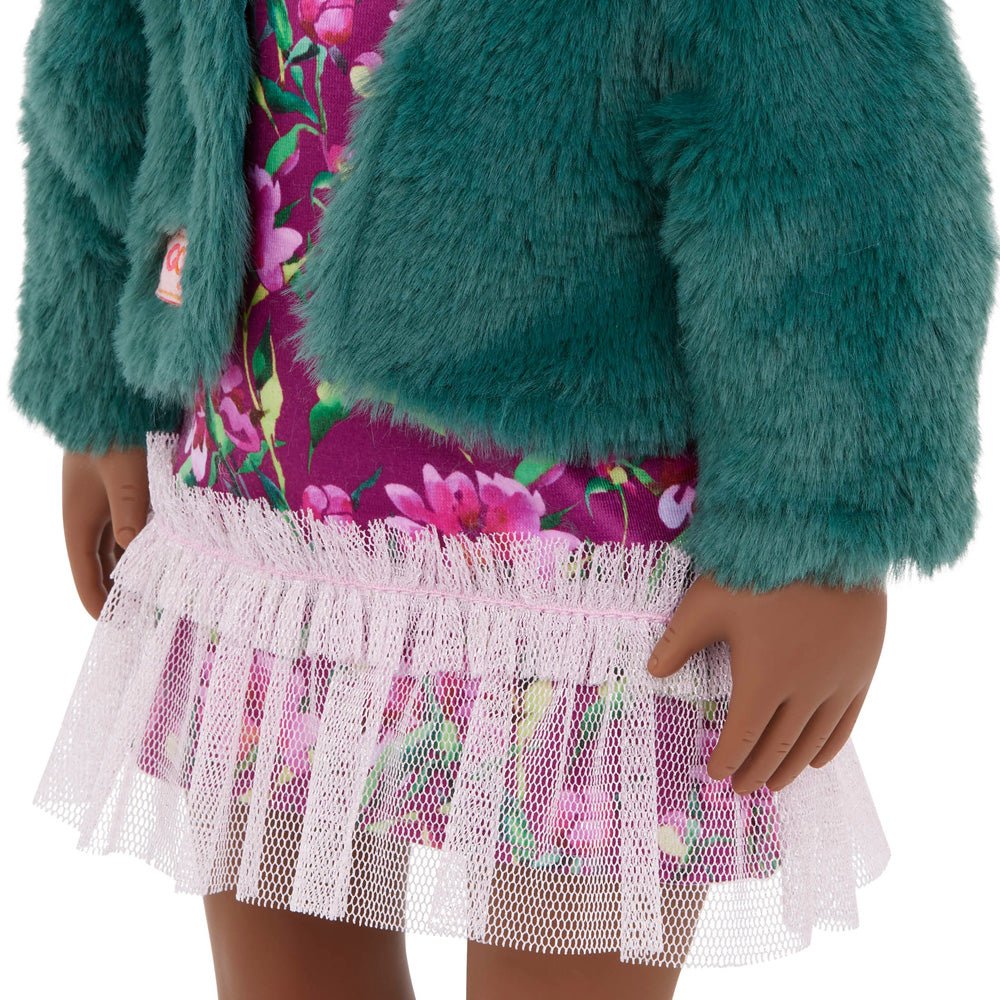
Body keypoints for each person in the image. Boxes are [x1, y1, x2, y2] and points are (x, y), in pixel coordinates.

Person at [10, 1, 996, 998]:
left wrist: (822, 515)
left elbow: (839, 138)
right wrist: (97, 377)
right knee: (284, 971)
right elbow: (101, 59)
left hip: (576, 550)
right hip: (259, 505)